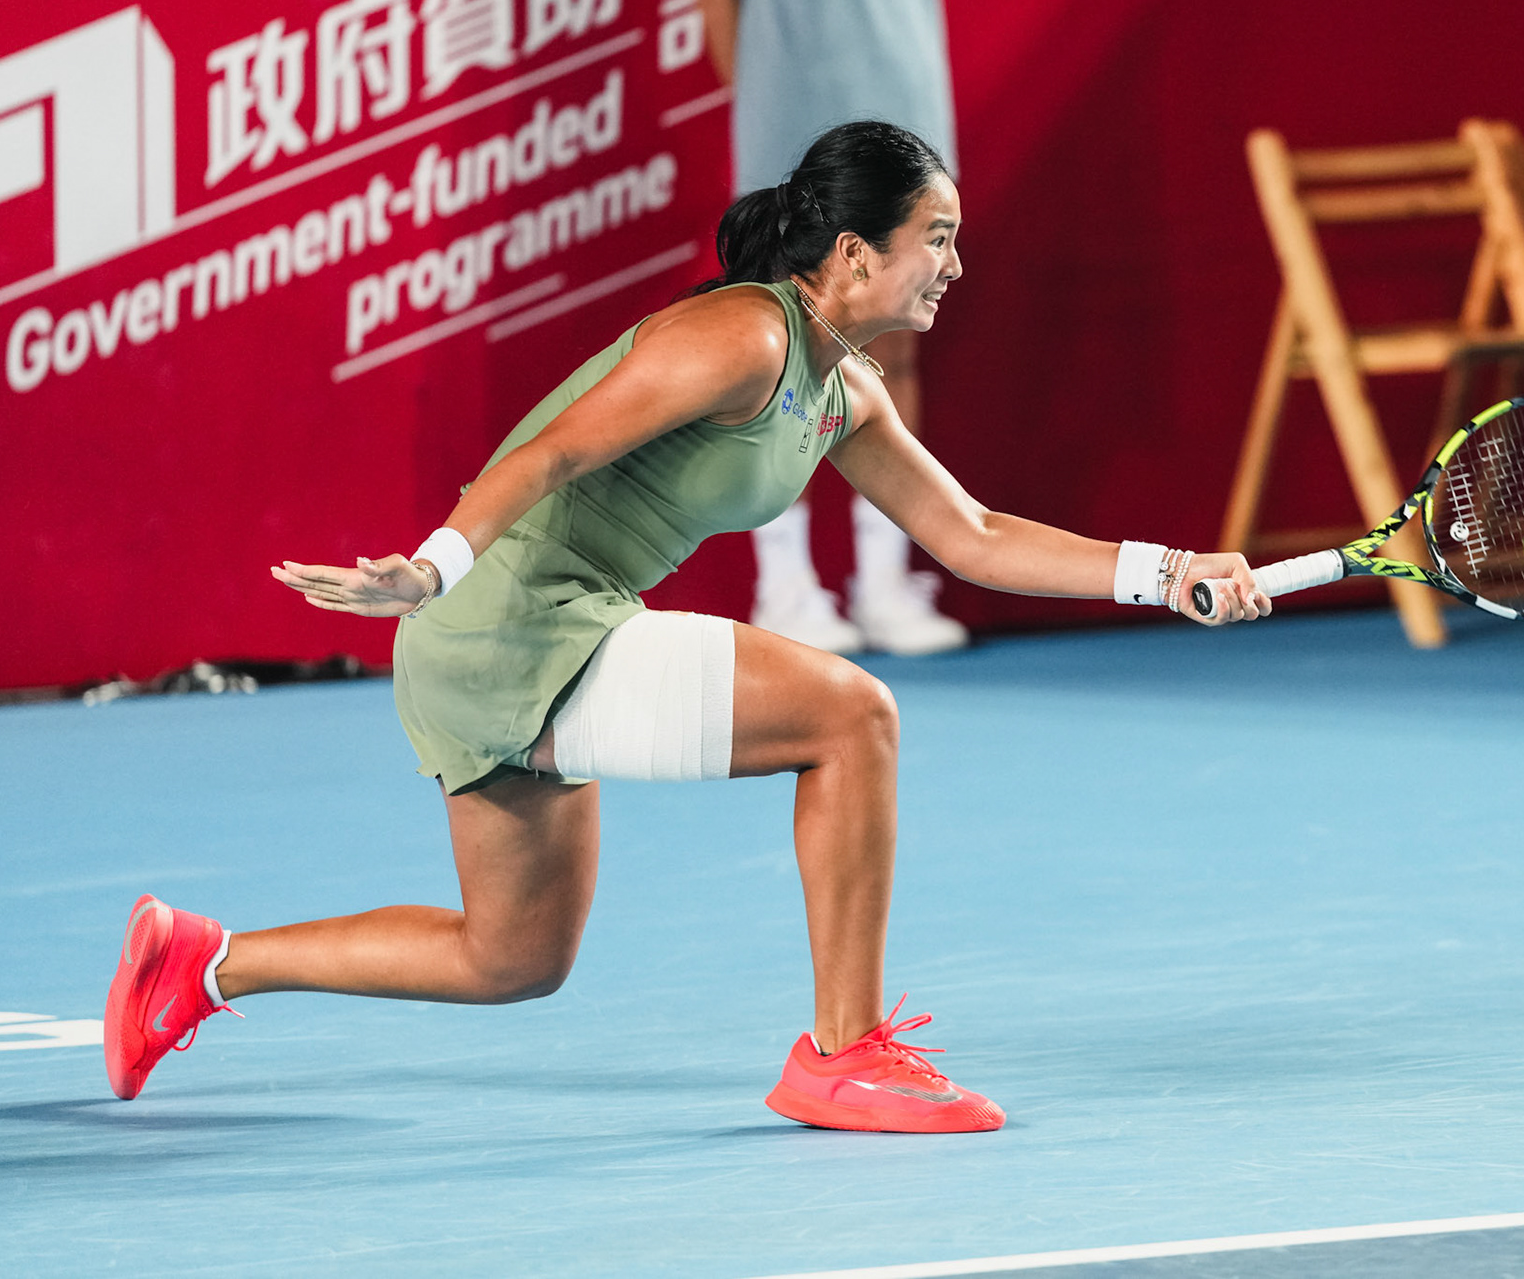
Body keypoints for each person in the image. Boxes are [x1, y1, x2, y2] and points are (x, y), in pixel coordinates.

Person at [102, 121, 1268, 1134]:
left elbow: (970, 533)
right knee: (851, 714)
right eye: (939, 235)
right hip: (505, 622)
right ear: (857, 253)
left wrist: (1168, 575)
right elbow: (555, 448)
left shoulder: (841, 384)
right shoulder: (745, 337)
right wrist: (432, 568)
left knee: (511, 957)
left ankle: (205, 961)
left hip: (545, 629)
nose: (956, 262)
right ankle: (844, 1051)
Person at [703, 0, 969, 655]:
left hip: (903, 89)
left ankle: (884, 581)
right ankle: (784, 587)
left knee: (896, 350)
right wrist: (757, 93)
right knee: (784, 351)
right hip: (789, 95)